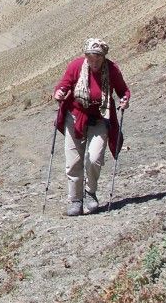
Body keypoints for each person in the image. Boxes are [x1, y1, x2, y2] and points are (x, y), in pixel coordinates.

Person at [53, 38, 130, 216]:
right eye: (90, 57)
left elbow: (123, 90)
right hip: (75, 117)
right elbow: (63, 84)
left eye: (98, 58)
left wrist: (125, 100)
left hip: (101, 116)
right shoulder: (76, 66)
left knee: (94, 158)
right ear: (85, 55)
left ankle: (90, 193)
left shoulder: (111, 69)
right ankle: (75, 200)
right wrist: (60, 92)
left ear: (103, 57)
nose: (93, 62)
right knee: (73, 161)